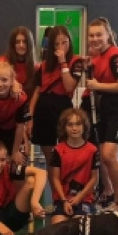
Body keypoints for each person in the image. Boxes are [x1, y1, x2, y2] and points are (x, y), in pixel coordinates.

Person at [73, 16, 118, 207]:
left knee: (108, 155)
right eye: (91, 35)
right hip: (105, 108)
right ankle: (108, 191)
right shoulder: (98, 56)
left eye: (99, 35)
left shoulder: (115, 57)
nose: (95, 39)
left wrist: (97, 85)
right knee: (100, 152)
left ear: (108, 35)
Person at [29, 24, 77, 169]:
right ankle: (53, 182)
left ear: (70, 42)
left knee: (65, 151)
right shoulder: (44, 65)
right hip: (44, 108)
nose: (61, 47)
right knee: (49, 156)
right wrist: (30, 117)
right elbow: (37, 91)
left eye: (64, 42)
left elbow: (69, 86)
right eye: (56, 44)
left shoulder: (76, 61)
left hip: (62, 107)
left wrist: (63, 62)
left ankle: (66, 180)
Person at [0, 139, 48, 235]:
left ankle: (38, 232)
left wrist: (34, 202)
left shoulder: (9, 168)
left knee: (32, 181)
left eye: (2, 160)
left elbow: (42, 172)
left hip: (9, 213)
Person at [49, 107, 100, 223]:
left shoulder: (92, 150)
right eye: (70, 125)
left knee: (79, 225)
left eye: (78, 124)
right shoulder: (57, 150)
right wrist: (64, 201)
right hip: (62, 199)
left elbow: (94, 179)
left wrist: (79, 198)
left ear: (84, 126)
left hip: (84, 199)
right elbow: (55, 178)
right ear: (64, 127)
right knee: (57, 225)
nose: (74, 128)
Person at [0, 26, 39, 95]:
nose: (21, 45)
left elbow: (36, 91)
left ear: (29, 44)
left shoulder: (36, 68)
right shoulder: (2, 62)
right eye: (17, 42)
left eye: (24, 42)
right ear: (13, 44)